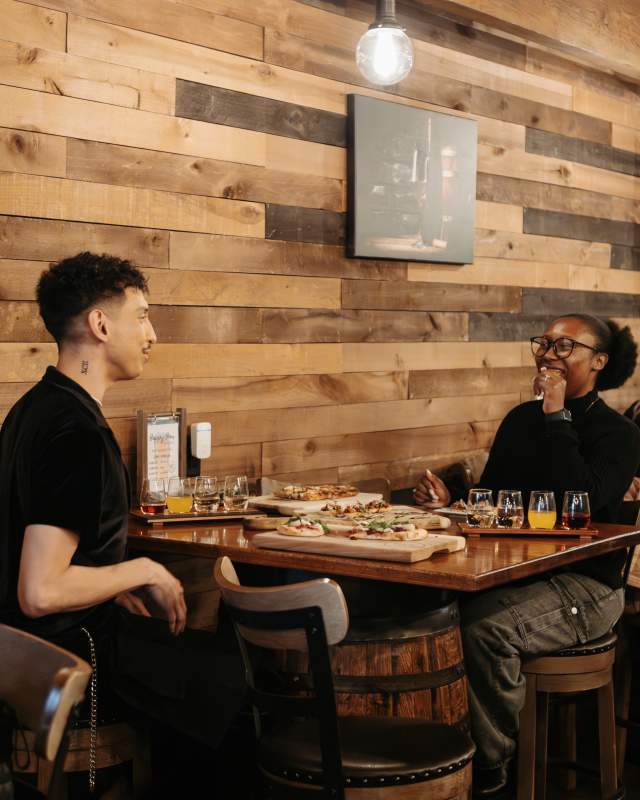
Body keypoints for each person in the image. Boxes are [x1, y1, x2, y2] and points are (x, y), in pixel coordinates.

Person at [0, 253, 244, 795]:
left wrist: (107, 587)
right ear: (101, 325)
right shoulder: (76, 434)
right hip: (69, 659)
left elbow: (49, 560)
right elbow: (39, 590)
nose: (152, 333)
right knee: (238, 682)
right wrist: (142, 572)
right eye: (142, 316)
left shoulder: (33, 410)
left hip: (42, 645)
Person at [414, 314, 640, 797]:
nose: (548, 354)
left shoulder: (618, 434)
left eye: (565, 347)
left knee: (484, 631)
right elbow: (494, 498)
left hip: (589, 583)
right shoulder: (520, 420)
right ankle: (438, 760)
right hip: (515, 571)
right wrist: (452, 504)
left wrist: (557, 416)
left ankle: (491, 771)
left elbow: (584, 502)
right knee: (429, 614)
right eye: (544, 343)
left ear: (599, 361)